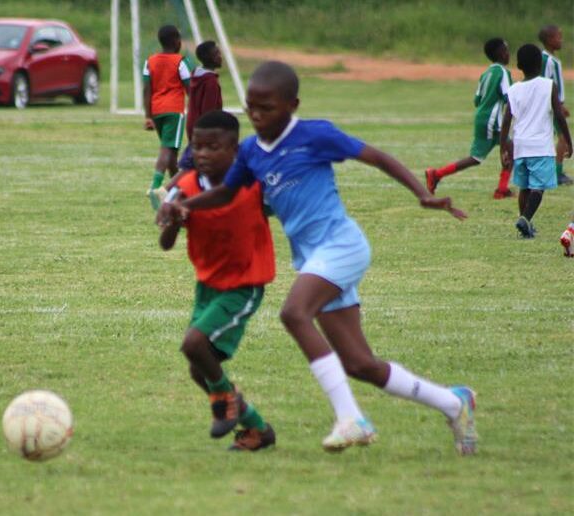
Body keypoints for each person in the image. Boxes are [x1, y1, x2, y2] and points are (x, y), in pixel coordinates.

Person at [160, 61, 479, 456]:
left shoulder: (315, 135)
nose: (257, 117)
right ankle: (453, 402)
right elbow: (226, 194)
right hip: (313, 259)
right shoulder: (250, 152)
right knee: (360, 364)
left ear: (292, 105)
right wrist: (184, 207)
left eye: (267, 108)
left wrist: (421, 193)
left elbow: (377, 157)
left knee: (294, 313)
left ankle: (351, 420)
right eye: (251, 108)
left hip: (342, 246)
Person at [159, 110, 276, 451]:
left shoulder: (254, 183)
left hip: (244, 284)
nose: (203, 154)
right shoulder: (185, 186)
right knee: (200, 370)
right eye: (197, 146)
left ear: (234, 149)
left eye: (213, 147)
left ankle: (224, 402)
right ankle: (257, 428)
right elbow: (165, 244)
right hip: (207, 286)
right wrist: (174, 217)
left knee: (193, 344)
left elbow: (284, 206)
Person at [425, 38, 514, 199]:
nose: (509, 54)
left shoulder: (486, 73)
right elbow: (510, 98)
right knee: (509, 149)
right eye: (507, 50)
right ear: (501, 53)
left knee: (480, 157)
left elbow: (477, 100)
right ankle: (501, 189)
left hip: (482, 117)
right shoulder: (503, 72)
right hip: (492, 121)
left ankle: (437, 174)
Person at [500, 44, 572, 239]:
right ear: (541, 63)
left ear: (519, 65)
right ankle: (525, 219)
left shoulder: (514, 89)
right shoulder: (549, 85)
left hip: (520, 146)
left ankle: (526, 224)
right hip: (541, 147)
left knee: (524, 187)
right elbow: (559, 115)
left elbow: (506, 122)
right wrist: (568, 139)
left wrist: (502, 150)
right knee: (538, 188)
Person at [143, 25, 191, 210]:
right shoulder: (180, 62)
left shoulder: (150, 61)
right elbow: (189, 88)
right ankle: (155, 187)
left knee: (171, 150)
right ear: (176, 41)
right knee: (167, 149)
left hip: (156, 111)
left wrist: (148, 116)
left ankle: (176, 190)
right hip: (174, 111)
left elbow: (147, 89)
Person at [177, 41, 224, 173]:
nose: (220, 56)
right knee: (191, 167)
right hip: (204, 129)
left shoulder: (197, 77)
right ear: (209, 58)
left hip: (194, 125)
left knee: (194, 167)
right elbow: (208, 111)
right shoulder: (210, 82)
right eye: (216, 54)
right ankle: (168, 191)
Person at [539, 25, 573, 186]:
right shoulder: (548, 61)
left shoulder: (549, 59)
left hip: (552, 105)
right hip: (551, 106)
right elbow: (546, 83)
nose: (561, 40)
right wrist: (558, 104)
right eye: (558, 37)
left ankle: (553, 172)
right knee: (563, 139)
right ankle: (557, 174)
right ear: (549, 40)